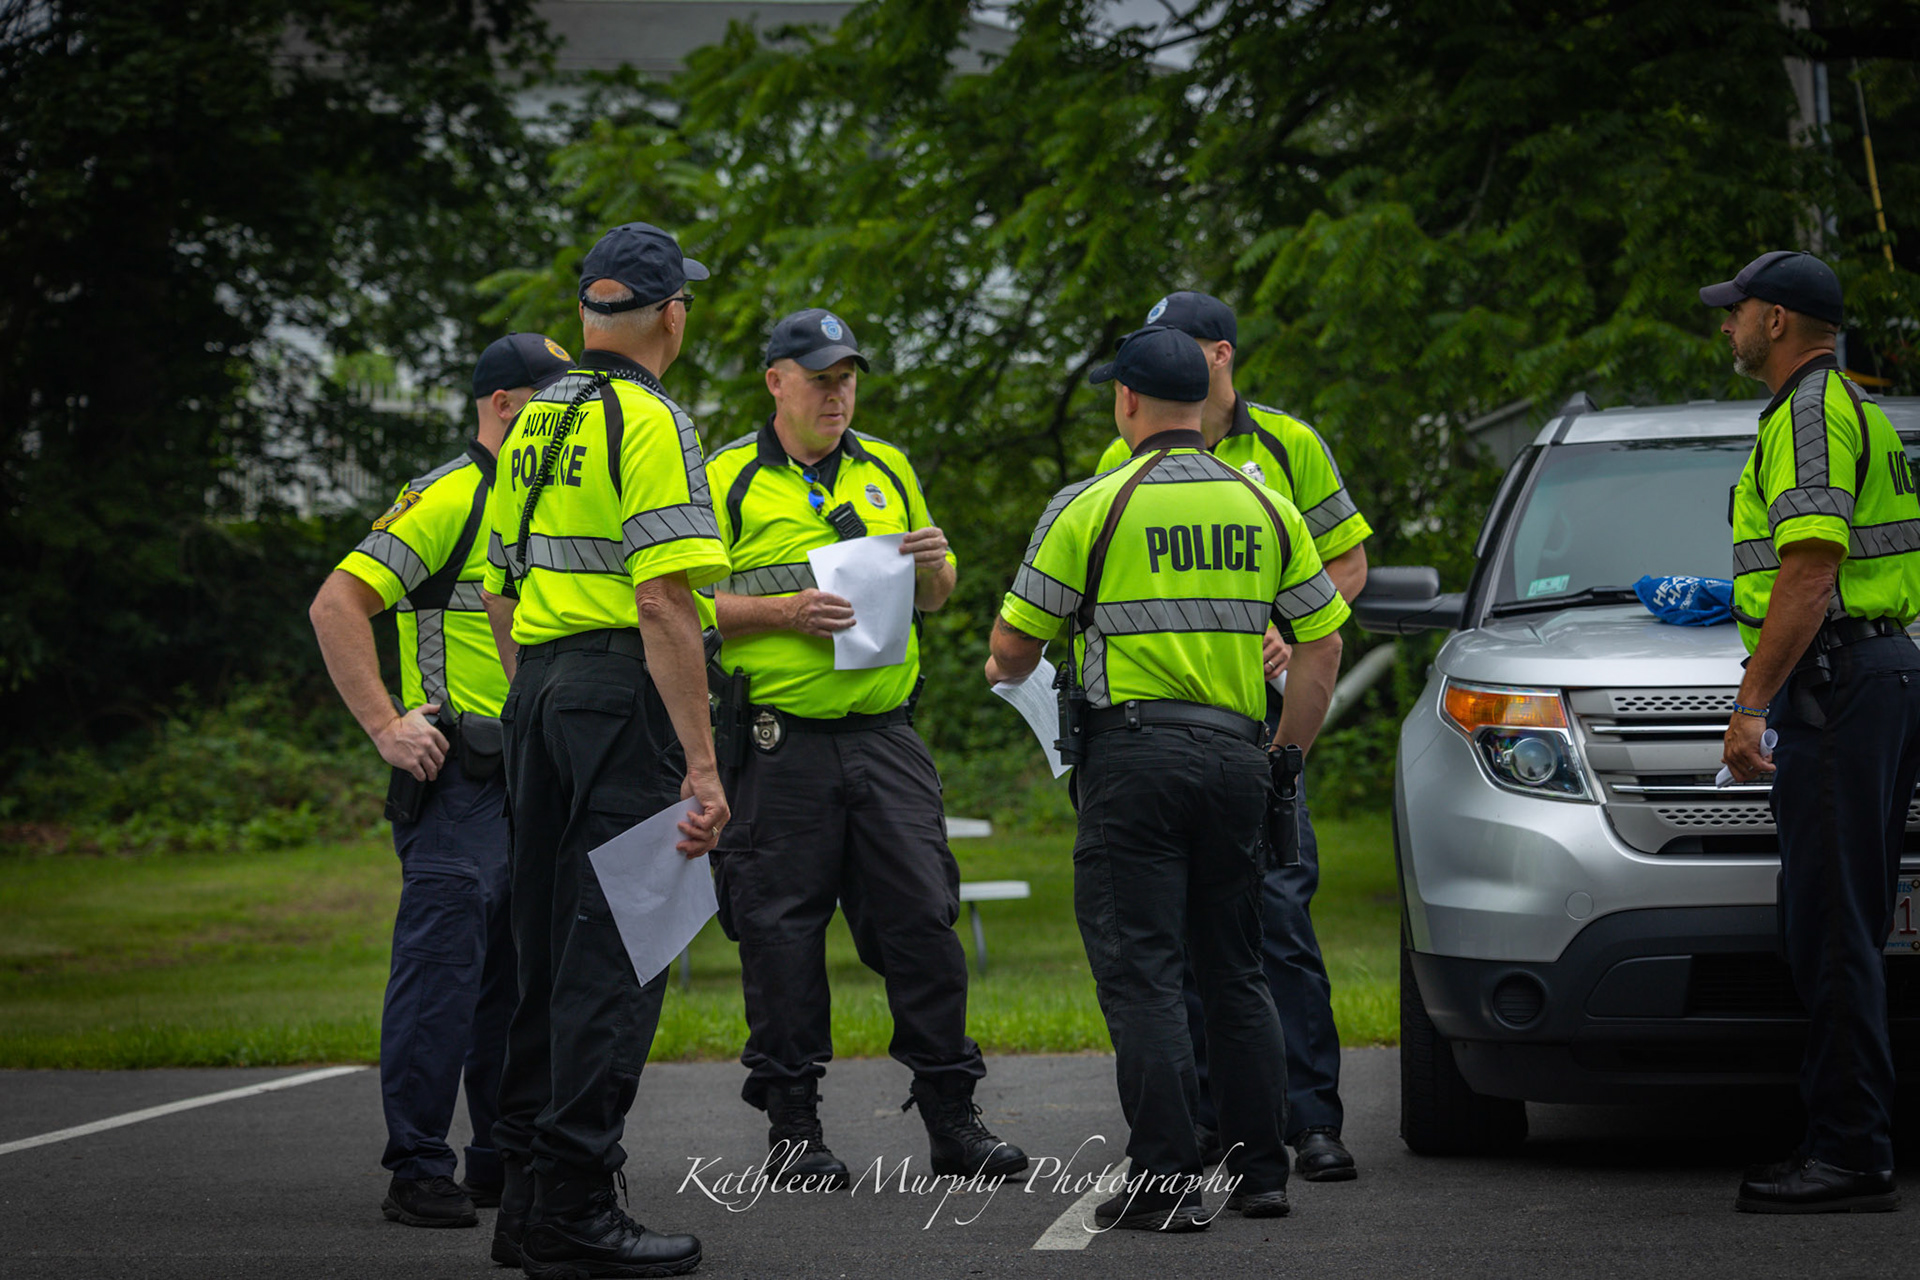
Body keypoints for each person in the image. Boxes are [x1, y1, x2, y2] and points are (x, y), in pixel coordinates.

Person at [987, 326, 1350, 1229]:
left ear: (1126, 401)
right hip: (1238, 758)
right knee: (1238, 971)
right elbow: (1323, 642)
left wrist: (1023, 658)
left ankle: (1165, 1182)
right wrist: (1287, 756)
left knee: (1145, 972)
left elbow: (1011, 647)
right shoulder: (1266, 504)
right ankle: (1263, 1173)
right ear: (1202, 397)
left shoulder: (1092, 505)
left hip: (1133, 763)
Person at [702, 307, 1027, 1190]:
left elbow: (938, 596)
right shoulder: (725, 479)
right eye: (820, 379)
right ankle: (794, 1130)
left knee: (923, 922)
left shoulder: (887, 466)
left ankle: (953, 1118)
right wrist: (783, 612)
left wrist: (933, 566)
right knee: (779, 936)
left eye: (846, 378)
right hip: (778, 744)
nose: (837, 394)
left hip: (885, 737)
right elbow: (676, 602)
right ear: (776, 382)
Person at [479, 223, 729, 1276]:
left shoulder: (537, 417)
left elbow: (497, 586)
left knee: (545, 947)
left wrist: (537, 694)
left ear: (589, 311)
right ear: (672, 314)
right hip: (619, 693)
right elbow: (665, 599)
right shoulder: (654, 419)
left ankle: (526, 1199)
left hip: (537, 690)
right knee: (620, 946)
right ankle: (577, 1204)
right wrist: (703, 764)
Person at [1096, 290, 1370, 1181]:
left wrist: (1288, 627)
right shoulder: (1122, 454)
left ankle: (1310, 1118)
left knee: (1277, 919)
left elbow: (1347, 563)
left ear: (1217, 354)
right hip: (1167, 729)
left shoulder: (1288, 444)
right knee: (1181, 931)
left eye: (1172, 345)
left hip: (1262, 728)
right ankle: (1213, 1120)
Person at [309, 331, 572, 1230]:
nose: (565, 419)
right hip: (457, 778)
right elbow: (336, 604)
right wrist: (386, 724)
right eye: (549, 402)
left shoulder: (549, 504)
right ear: (504, 406)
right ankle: (418, 1168)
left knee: (517, 984)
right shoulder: (451, 496)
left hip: (532, 778)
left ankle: (499, 1158)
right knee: (442, 978)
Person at [1709, 250, 1920, 1214]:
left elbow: (1810, 566)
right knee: (1839, 922)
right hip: (1869, 673)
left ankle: (1849, 1154)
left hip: (1838, 684)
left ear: (1779, 321)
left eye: (1737, 310)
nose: (1727, 325)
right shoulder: (1849, 409)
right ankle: (1851, 1138)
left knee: (1829, 929)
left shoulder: (1809, 413)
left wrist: (1751, 702)